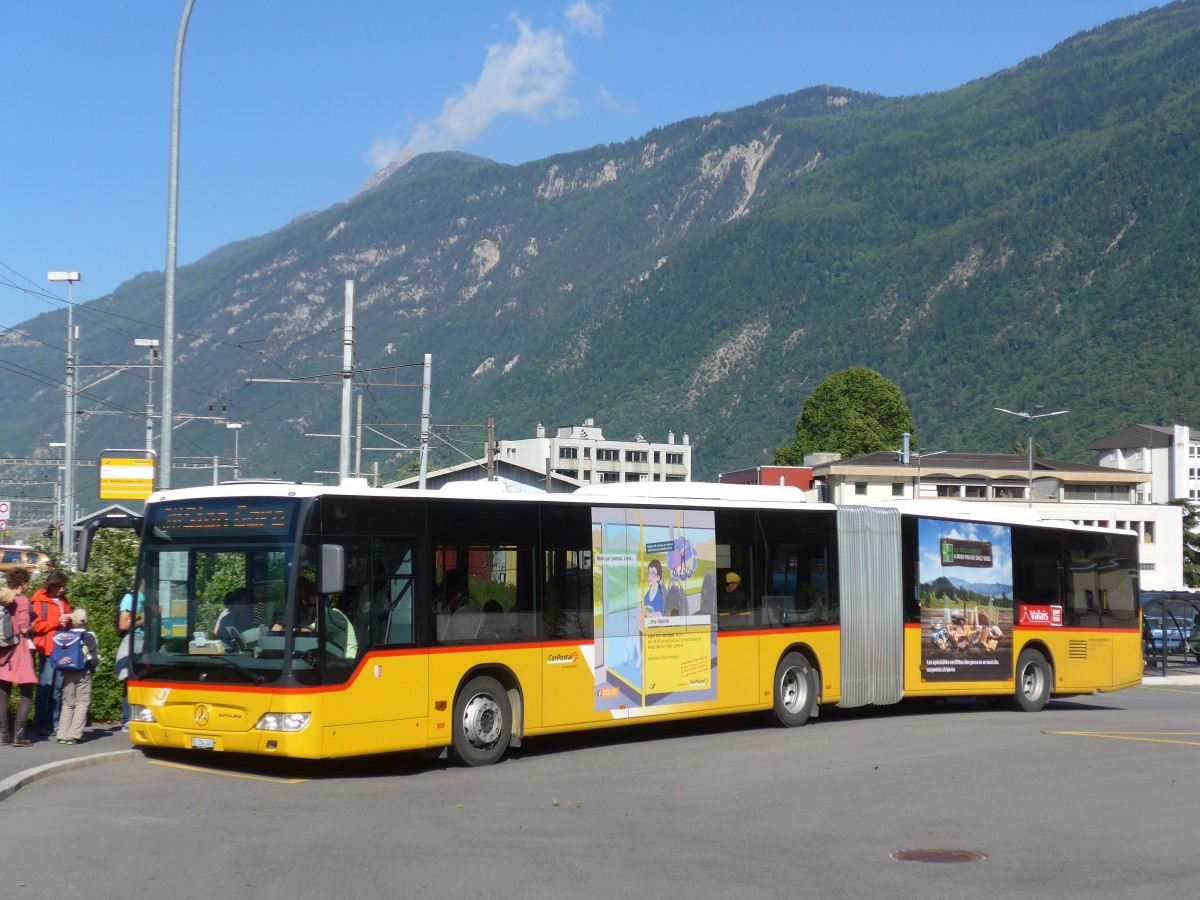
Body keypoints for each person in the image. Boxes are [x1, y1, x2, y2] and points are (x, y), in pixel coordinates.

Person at [30, 571, 72, 737]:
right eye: (60, 586)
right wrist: (58, 621)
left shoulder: (63, 601)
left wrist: (69, 619)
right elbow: (37, 626)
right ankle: (40, 723)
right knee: (45, 686)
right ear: (52, 585)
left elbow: (67, 619)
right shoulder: (40, 600)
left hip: (62, 648)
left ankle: (54, 723)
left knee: (58, 687)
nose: (62, 589)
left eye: (63, 586)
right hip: (47, 648)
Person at [0, 568, 37, 747]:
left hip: (4, 648)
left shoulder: (5, 600)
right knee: (27, 690)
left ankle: (2, 735)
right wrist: (33, 624)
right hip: (19, 649)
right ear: (22, 583)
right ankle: (19, 736)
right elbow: (23, 628)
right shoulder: (22, 601)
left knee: (3, 690)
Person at [55, 608, 98, 745]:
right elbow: (95, 657)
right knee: (82, 703)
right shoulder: (90, 635)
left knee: (67, 703)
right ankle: (74, 735)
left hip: (68, 672)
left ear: (73, 622)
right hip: (84, 671)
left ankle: (62, 734)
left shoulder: (65, 635)